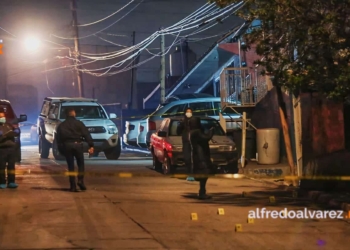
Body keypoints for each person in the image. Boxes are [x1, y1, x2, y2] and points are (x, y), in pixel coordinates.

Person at [56, 107, 94, 192]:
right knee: (80, 164)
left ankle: (72, 186)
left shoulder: (62, 125)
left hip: (67, 146)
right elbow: (86, 134)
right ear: (73, 113)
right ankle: (80, 181)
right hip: (77, 145)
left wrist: (61, 149)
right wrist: (91, 145)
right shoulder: (79, 123)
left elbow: (58, 139)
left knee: (71, 166)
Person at [188, 116, 214, 200]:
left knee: (203, 175)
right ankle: (202, 193)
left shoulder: (192, 132)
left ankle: (202, 192)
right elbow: (206, 138)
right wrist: (211, 131)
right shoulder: (197, 132)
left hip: (198, 155)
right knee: (204, 174)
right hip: (201, 156)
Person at [0, 107, 19, 189]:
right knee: (1, 166)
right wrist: (4, 136)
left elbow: (17, 131)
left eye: (3, 116)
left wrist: (16, 131)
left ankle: (11, 181)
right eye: (1, 117)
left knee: (11, 165)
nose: (2, 118)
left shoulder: (8, 124)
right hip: (2, 149)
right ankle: (2, 182)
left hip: (11, 148)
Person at [176, 108, 196, 173]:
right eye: (187, 112)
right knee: (187, 158)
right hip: (186, 142)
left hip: (194, 142)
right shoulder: (183, 122)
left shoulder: (195, 121)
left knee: (195, 158)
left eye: (190, 112)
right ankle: (189, 172)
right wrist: (180, 125)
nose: (189, 113)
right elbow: (178, 132)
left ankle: (194, 172)